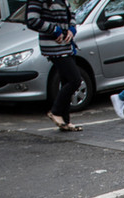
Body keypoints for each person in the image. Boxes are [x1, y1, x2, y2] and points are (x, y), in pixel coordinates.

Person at [25, 0, 82, 132]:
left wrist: (72, 29)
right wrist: (54, 30)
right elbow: (32, 19)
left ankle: (65, 121)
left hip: (67, 45)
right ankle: (55, 112)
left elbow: (71, 14)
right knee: (75, 80)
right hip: (53, 46)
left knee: (66, 80)